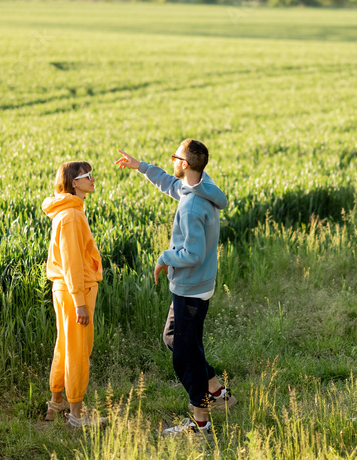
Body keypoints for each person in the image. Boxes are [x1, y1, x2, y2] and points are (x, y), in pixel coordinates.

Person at [115, 139, 237, 436]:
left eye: (175, 157)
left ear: (185, 164)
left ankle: (201, 422)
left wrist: (164, 257)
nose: (172, 161)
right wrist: (141, 166)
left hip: (191, 289)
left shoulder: (193, 207)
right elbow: (171, 184)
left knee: (185, 356)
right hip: (195, 286)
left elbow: (192, 254)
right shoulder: (199, 186)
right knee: (175, 338)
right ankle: (218, 393)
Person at [41, 161, 106, 428]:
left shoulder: (68, 211)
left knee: (65, 345)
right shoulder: (71, 216)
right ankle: (77, 416)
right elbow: (72, 263)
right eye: (87, 176)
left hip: (66, 289)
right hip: (75, 292)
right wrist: (80, 302)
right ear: (73, 182)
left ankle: (56, 405)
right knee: (78, 350)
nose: (93, 179)